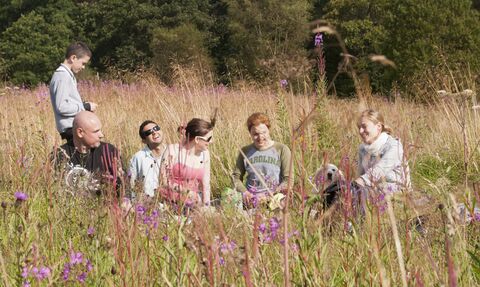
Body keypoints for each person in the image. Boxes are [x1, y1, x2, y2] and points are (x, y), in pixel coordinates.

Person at [53, 111, 124, 194]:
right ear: (80, 132)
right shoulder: (59, 156)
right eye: (96, 131)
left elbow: (125, 185)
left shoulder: (109, 151)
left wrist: (118, 182)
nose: (101, 135)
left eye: (100, 130)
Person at [232, 112, 292, 207]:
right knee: (228, 196)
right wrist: (245, 193)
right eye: (255, 134)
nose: (260, 137)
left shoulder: (282, 149)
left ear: (269, 130)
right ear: (250, 133)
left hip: (274, 198)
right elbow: (236, 178)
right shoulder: (244, 151)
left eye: (264, 132)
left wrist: (270, 195)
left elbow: (288, 180)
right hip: (251, 198)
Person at [50, 42, 97, 146]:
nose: (83, 67)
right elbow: (61, 107)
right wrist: (85, 107)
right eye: (83, 63)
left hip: (75, 127)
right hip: (71, 129)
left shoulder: (67, 75)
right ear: (73, 58)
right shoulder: (62, 76)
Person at [160, 117, 215, 207]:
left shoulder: (205, 154)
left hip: (193, 203)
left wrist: (206, 206)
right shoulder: (172, 150)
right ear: (197, 139)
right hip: (169, 202)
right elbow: (163, 181)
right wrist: (186, 192)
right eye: (208, 139)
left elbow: (206, 184)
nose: (211, 141)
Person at [354, 109, 410, 192]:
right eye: (359, 127)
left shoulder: (394, 146)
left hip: (397, 193)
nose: (360, 131)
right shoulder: (363, 149)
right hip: (371, 189)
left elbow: (379, 170)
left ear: (378, 127)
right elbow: (360, 175)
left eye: (364, 126)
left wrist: (358, 183)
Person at [129, 120, 167, 198]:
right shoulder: (138, 158)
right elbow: (132, 185)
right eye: (149, 132)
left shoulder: (173, 153)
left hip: (171, 205)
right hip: (148, 206)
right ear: (144, 140)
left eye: (156, 128)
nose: (154, 132)